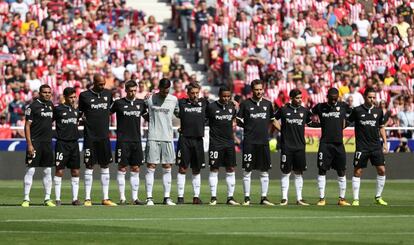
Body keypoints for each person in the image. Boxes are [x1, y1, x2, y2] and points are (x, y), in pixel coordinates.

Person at [79, 74, 116, 206]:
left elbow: (111, 110)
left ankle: (105, 198)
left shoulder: (108, 94)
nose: (102, 86)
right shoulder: (84, 96)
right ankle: (87, 198)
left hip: (104, 136)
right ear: (94, 82)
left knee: (105, 165)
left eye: (104, 84)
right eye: (100, 84)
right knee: (89, 165)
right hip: (90, 136)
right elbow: (79, 112)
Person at [236, 79, 275, 206]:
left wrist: (284, 130)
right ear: (252, 90)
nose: (259, 92)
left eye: (260, 89)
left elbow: (273, 120)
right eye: (256, 90)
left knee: (264, 171)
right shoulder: (245, 104)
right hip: (249, 142)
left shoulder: (268, 104)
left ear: (263, 89)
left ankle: (264, 197)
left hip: (263, 142)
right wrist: (248, 127)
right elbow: (238, 120)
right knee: (247, 171)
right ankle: (247, 198)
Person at [274, 89, 315, 206]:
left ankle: (299, 198)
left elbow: (310, 123)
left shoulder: (304, 111)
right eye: (297, 98)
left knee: (299, 172)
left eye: (300, 98)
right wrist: (281, 129)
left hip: (300, 146)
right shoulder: (283, 109)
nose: (299, 100)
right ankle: (284, 198)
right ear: (291, 98)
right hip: (287, 146)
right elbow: (273, 119)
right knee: (286, 172)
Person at [348, 87, 388, 206]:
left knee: (382, 170)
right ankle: (356, 199)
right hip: (362, 147)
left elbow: (381, 127)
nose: (372, 99)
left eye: (374, 97)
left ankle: (378, 197)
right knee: (358, 171)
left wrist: (385, 142)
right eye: (370, 97)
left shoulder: (378, 111)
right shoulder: (357, 110)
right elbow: (346, 122)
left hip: (376, 146)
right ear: (365, 97)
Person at [311, 88, 351, 206]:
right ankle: (322, 198)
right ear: (327, 97)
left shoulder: (343, 106)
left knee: (342, 170)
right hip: (325, 143)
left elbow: (354, 115)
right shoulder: (320, 107)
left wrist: (345, 124)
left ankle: (342, 199)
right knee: (322, 169)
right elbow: (308, 114)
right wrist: (315, 124)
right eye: (332, 99)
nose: (334, 101)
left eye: (336, 99)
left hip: (339, 144)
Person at [110, 80, 146, 205]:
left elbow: (149, 117)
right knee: (122, 168)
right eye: (130, 90)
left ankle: (135, 198)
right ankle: (122, 198)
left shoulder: (141, 103)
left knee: (136, 168)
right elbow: (106, 113)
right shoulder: (119, 103)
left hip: (136, 140)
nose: (133, 93)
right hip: (122, 141)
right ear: (125, 90)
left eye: (135, 90)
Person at [144, 78, 179, 205]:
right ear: (159, 87)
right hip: (153, 136)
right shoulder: (149, 98)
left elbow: (179, 114)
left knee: (167, 166)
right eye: (163, 89)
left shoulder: (174, 99)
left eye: (167, 89)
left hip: (168, 137)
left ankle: (167, 198)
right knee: (151, 166)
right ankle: (149, 198)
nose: (165, 91)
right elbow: (142, 111)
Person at [22, 84, 55, 207]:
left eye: (49, 92)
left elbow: (48, 122)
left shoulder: (51, 105)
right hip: (35, 142)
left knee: (47, 171)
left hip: (47, 142)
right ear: (40, 93)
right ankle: (26, 199)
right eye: (45, 92)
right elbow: (27, 126)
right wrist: (29, 144)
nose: (47, 94)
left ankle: (47, 198)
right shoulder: (32, 106)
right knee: (30, 170)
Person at [206, 86, 240, 205]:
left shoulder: (232, 106)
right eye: (224, 96)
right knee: (214, 168)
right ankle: (213, 197)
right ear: (219, 95)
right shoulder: (211, 107)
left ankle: (230, 197)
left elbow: (235, 120)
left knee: (230, 168)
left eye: (228, 96)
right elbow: (204, 119)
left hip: (229, 143)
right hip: (215, 143)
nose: (226, 98)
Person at [176, 82, 208, 204]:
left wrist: (233, 103)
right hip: (185, 139)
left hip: (198, 139)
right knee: (182, 168)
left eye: (196, 93)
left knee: (196, 169)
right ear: (188, 93)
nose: (195, 95)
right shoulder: (181, 103)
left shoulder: (204, 103)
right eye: (192, 93)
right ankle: (180, 197)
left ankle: (196, 197)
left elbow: (216, 109)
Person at [53, 87, 81, 206]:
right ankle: (58, 199)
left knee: (75, 171)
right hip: (62, 143)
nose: (73, 99)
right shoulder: (58, 109)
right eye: (71, 97)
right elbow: (48, 121)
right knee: (59, 170)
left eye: (75, 97)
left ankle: (75, 199)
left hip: (74, 143)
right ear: (65, 97)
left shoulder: (77, 110)